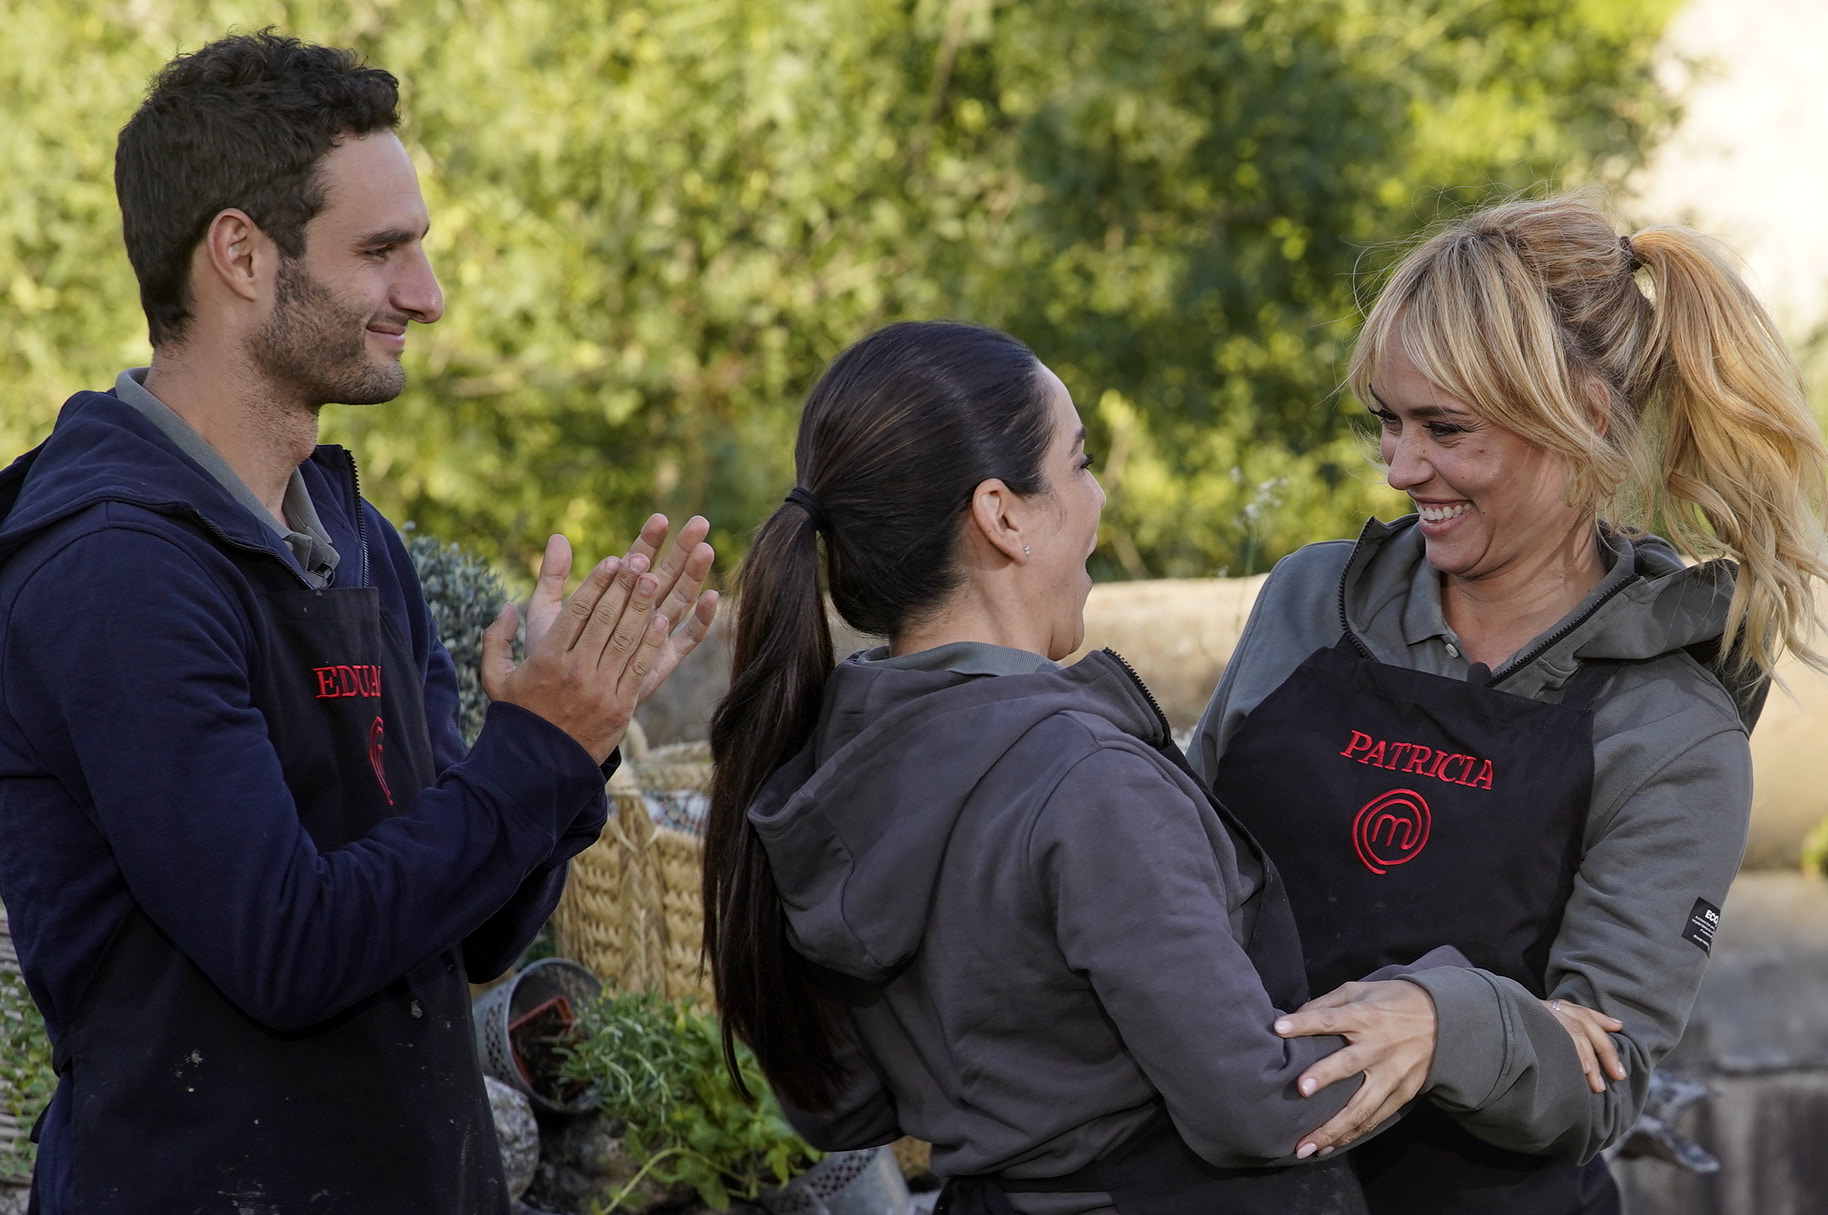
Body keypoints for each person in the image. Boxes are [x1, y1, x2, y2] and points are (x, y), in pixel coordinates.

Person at [0, 32, 718, 1213]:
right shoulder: (111, 568)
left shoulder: (350, 533)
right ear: (238, 253)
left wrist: (570, 740)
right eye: (383, 251)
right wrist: (532, 750)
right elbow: (287, 949)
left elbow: (466, 940)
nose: (426, 298)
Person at [702, 320, 1471, 1215]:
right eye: (1081, 462)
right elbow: (1261, 1105)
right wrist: (1458, 1018)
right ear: (1003, 514)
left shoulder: (827, 760)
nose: (1099, 499)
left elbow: (839, 1102)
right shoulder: (1083, 780)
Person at [1189, 193, 1828, 1214]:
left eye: (1445, 429)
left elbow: (1600, 1079)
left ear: (1577, 416)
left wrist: (1443, 1022)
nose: (1402, 469)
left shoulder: (1670, 729)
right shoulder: (1309, 602)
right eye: (1389, 424)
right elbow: (1178, 865)